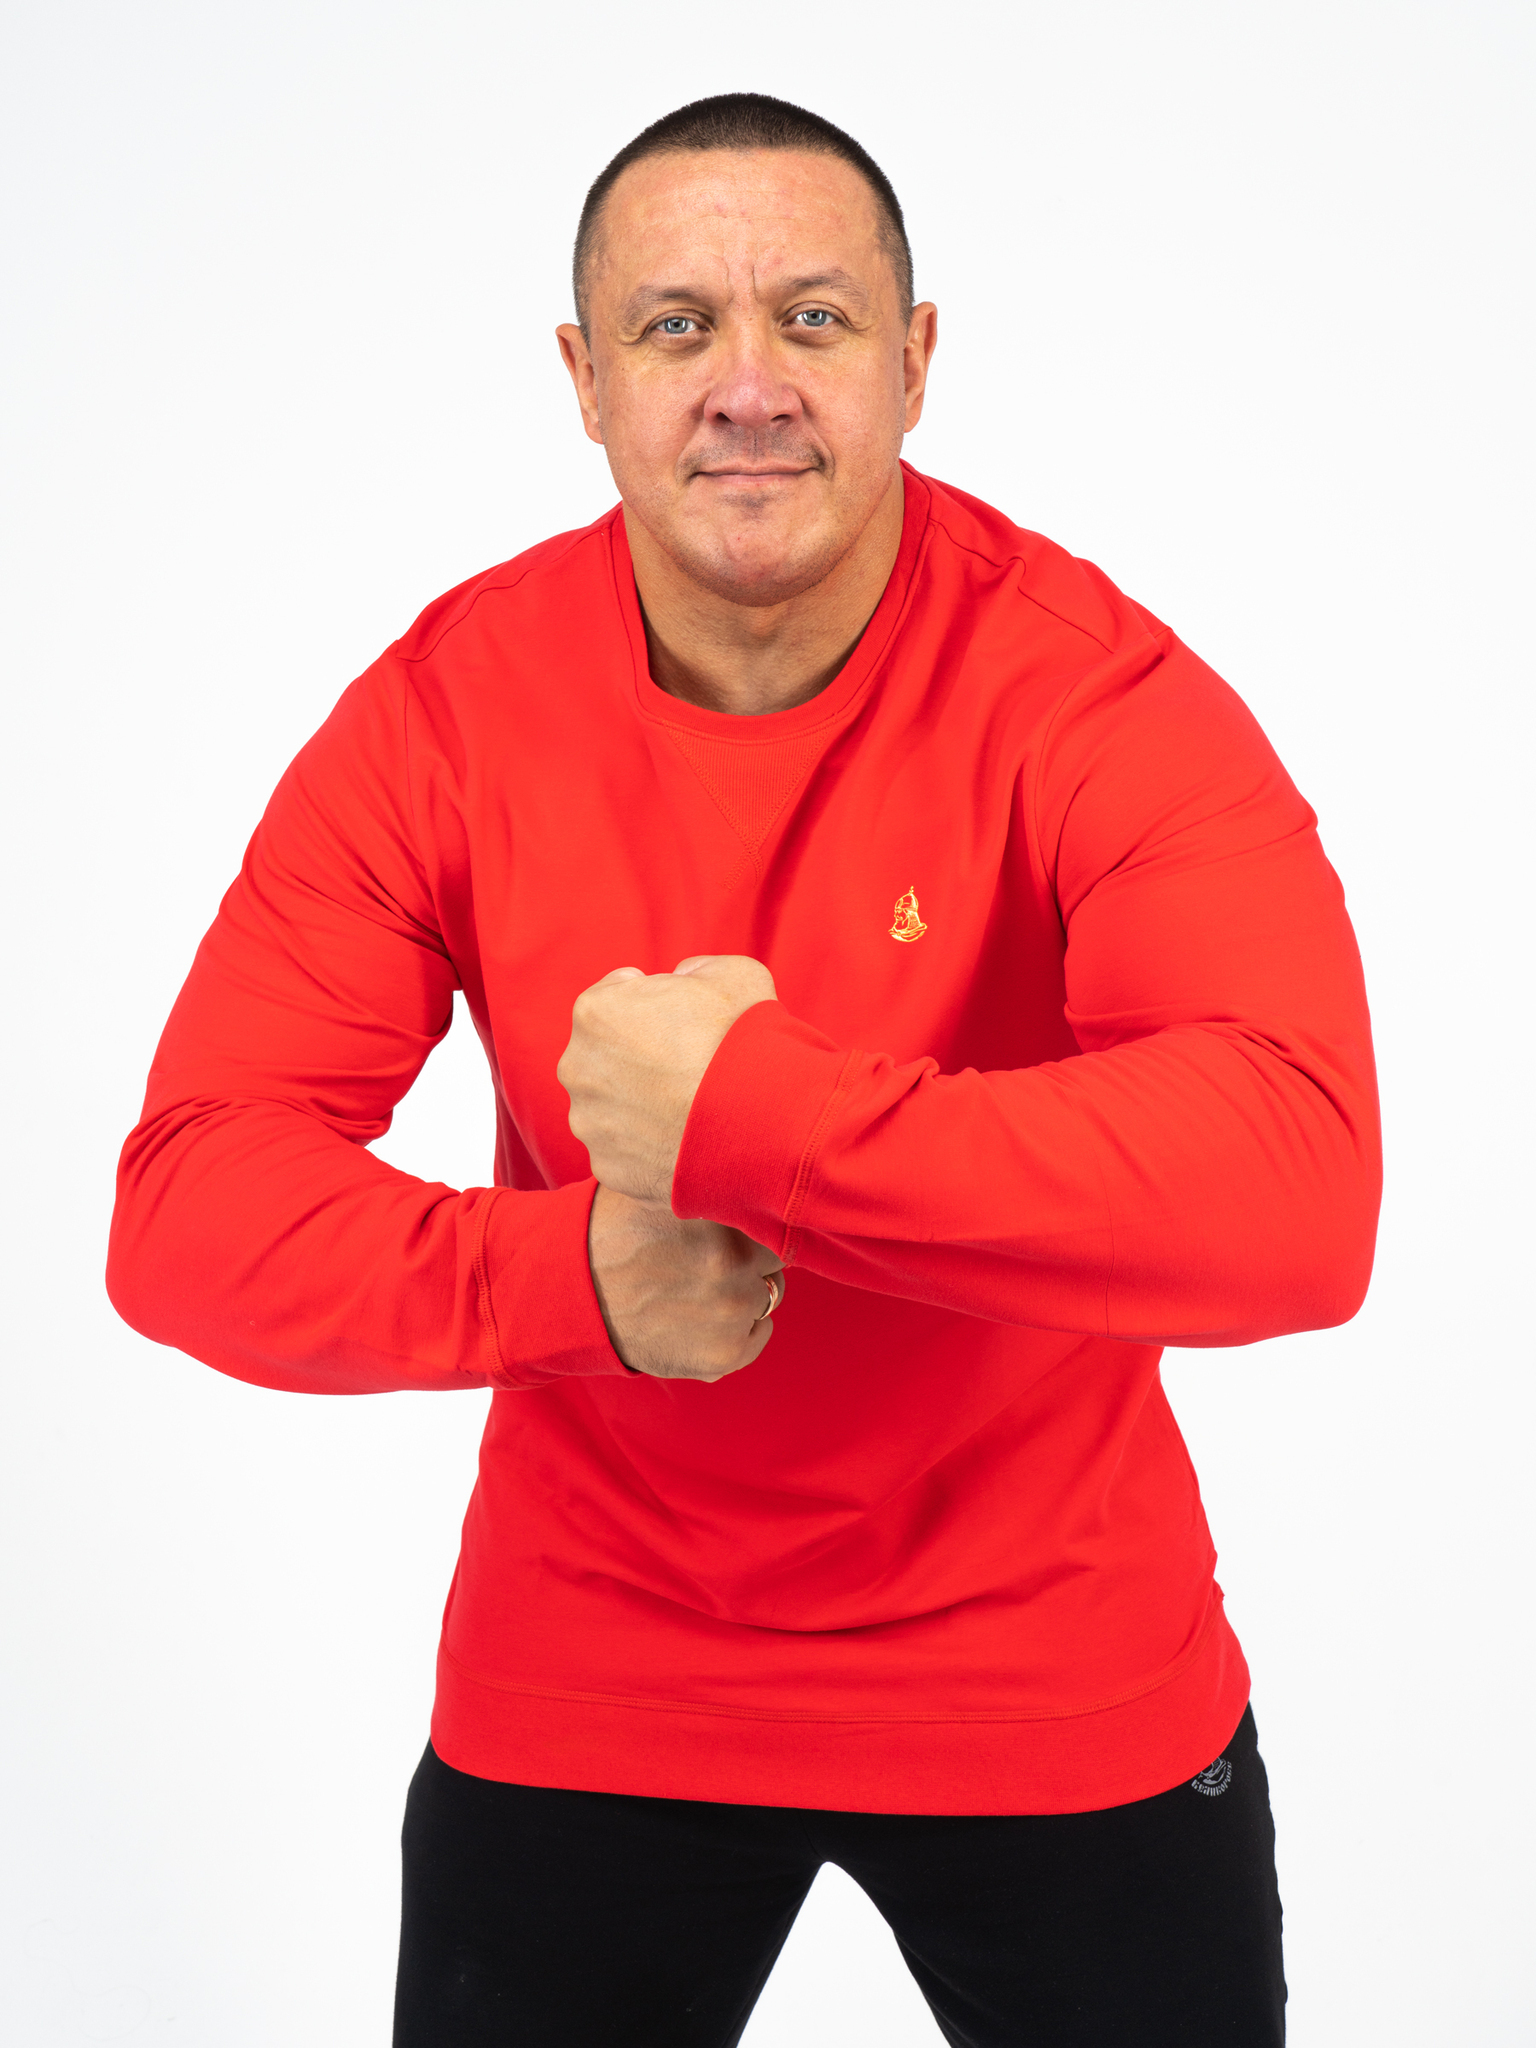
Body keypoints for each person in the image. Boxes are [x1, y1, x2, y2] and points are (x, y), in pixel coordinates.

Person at [108, 91, 1381, 2047]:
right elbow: (191, 1210)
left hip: (1046, 1653)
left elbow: (1296, 1193)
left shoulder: (1093, 694)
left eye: (815, 317)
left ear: (916, 362)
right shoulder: (448, 715)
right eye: (678, 325)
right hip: (597, 1658)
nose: (750, 383)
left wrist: (753, 1122)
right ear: (586, 380)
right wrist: (580, 1282)